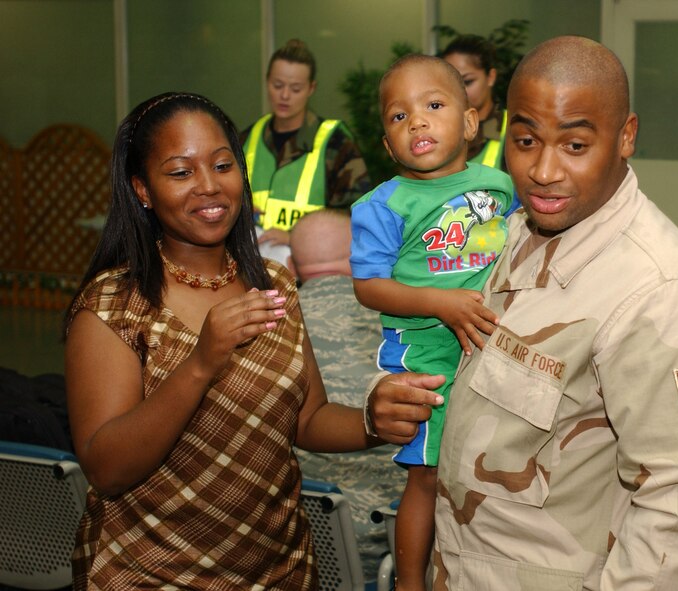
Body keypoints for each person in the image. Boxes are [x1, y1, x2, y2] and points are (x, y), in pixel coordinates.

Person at [367, 36, 678, 590]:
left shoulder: (663, 295)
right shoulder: (512, 235)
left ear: (626, 137)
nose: (543, 171)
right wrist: (399, 402)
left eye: (574, 146)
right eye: (525, 141)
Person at [63, 92, 381, 590]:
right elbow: (107, 468)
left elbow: (308, 420)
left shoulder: (274, 285)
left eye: (222, 164)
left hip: (280, 572)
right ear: (142, 189)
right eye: (180, 172)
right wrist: (201, 362)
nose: (209, 187)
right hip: (149, 575)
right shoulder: (112, 305)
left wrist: (375, 420)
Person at [350, 55, 515, 591]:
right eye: (399, 117)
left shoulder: (498, 186)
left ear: (470, 123)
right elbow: (368, 286)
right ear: (387, 145)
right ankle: (411, 582)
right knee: (427, 477)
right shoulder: (383, 205)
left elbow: (506, 252)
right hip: (426, 353)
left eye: (434, 106)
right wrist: (442, 304)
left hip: (491, 345)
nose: (416, 122)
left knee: (492, 469)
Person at [288, 209, 407, 578]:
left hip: (307, 546)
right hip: (397, 543)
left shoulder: (270, 330)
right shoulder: (400, 317)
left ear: (291, 265)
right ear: (360, 253)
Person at [241, 38, 373, 263]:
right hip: (252, 267)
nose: (284, 96)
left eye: (295, 89)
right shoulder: (247, 138)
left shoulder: (335, 142)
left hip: (312, 269)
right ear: (266, 82)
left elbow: (357, 214)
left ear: (311, 88)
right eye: (277, 85)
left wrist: (296, 237)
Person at [441, 35, 507, 170]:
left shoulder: (515, 129)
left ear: (491, 77)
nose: (458, 92)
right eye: (449, 83)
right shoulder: (434, 129)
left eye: (467, 82)